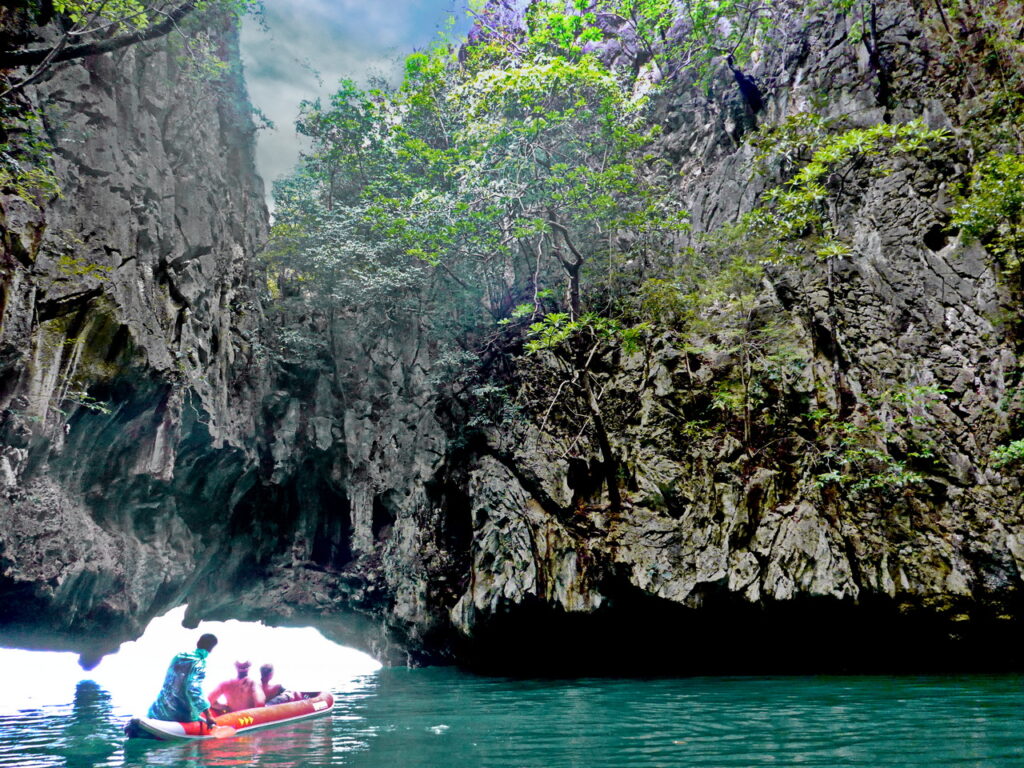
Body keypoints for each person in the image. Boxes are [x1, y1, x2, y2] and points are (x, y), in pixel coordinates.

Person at [147, 633, 218, 728]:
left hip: (158, 710)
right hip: (179, 716)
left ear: (197, 643)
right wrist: (208, 715)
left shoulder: (179, 656)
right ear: (211, 649)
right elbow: (193, 690)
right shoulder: (199, 663)